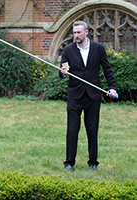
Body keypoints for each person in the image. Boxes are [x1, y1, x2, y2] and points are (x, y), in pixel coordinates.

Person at [59, 21, 117, 172]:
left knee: (92, 130)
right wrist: (64, 73)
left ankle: (93, 162)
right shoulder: (68, 50)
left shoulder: (98, 49)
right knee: (72, 130)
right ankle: (69, 162)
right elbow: (62, 71)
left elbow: (107, 69)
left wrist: (112, 87)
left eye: (78, 32)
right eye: (74, 33)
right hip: (75, 96)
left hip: (93, 96)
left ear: (86, 32)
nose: (76, 35)